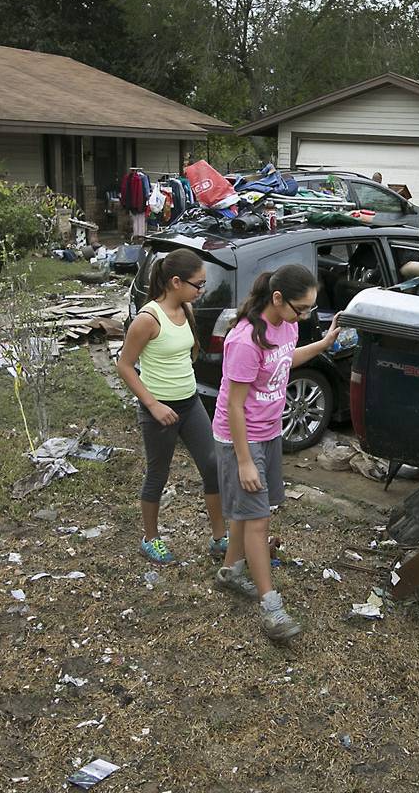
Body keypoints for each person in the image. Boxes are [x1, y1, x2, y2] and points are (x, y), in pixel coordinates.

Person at [212, 265, 340, 642]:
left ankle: (231, 571)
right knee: (259, 521)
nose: (304, 316)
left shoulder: (288, 326)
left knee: (247, 511)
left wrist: (322, 345)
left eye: (309, 309)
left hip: (269, 433)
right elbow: (234, 406)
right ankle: (272, 609)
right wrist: (245, 460)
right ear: (277, 298)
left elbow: (286, 359)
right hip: (241, 437)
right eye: (300, 308)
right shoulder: (245, 341)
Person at [116, 249, 228, 565]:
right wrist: (152, 405)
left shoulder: (186, 308)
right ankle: (150, 539)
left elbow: (186, 355)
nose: (202, 290)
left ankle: (220, 538)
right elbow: (124, 365)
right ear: (176, 281)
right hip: (159, 410)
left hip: (190, 404)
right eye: (198, 284)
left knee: (212, 465)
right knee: (158, 474)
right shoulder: (147, 319)